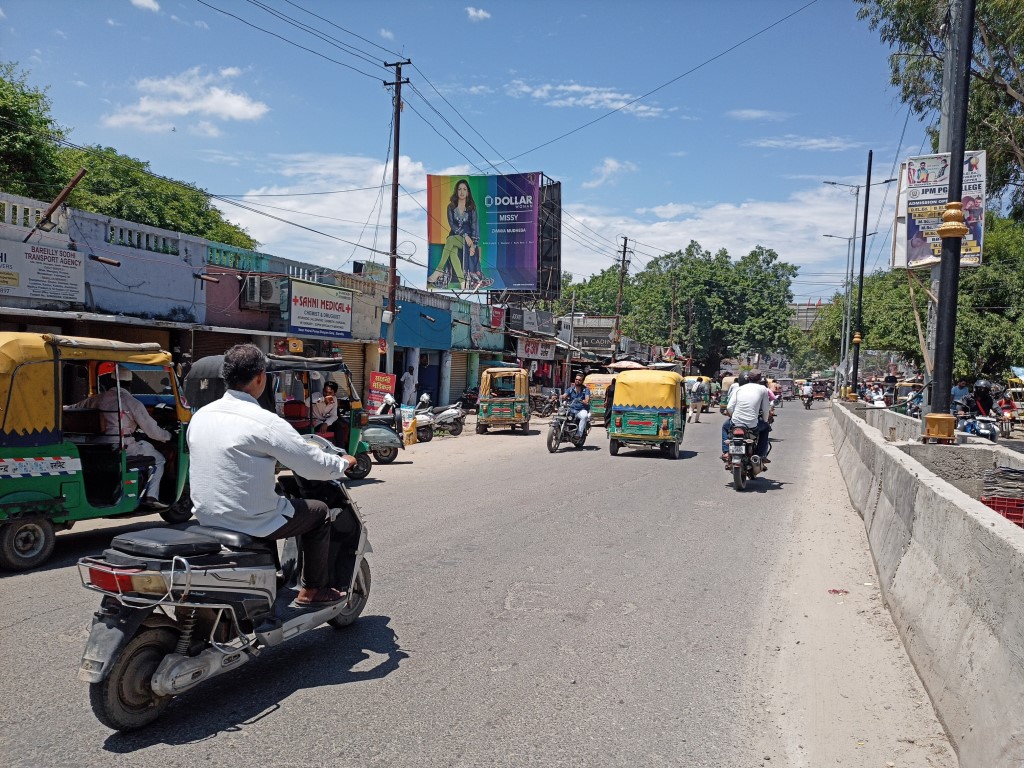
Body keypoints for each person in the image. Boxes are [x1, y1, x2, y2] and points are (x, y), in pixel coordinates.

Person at [187, 344, 356, 609]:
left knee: (272, 497)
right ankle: (312, 590)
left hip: (207, 516)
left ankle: (273, 575)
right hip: (249, 519)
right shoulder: (264, 422)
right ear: (260, 377)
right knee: (320, 512)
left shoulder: (200, 417)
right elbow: (312, 465)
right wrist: (342, 463)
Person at [75, 367, 171, 508]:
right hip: (121, 449)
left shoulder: (94, 400)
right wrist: (168, 436)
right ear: (130, 384)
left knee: (145, 445)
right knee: (159, 459)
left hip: (94, 448)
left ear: (111, 382)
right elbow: (153, 433)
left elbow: (71, 408)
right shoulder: (133, 403)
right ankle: (151, 497)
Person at [725, 370, 772, 464]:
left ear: (748, 378)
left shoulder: (738, 389)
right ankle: (760, 455)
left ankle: (726, 452)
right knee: (765, 428)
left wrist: (733, 417)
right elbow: (766, 408)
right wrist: (765, 420)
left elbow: (729, 407)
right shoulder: (763, 389)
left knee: (724, 426)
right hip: (752, 425)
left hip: (735, 423)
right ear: (759, 379)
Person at [561, 373, 591, 437]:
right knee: (561, 414)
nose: (577, 381)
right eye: (576, 379)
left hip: (581, 410)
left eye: (579, 380)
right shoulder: (570, 389)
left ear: (582, 381)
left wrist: (584, 401)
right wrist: (559, 396)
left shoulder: (586, 390)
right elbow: (564, 395)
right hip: (571, 409)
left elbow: (587, 399)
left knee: (584, 416)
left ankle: (579, 434)